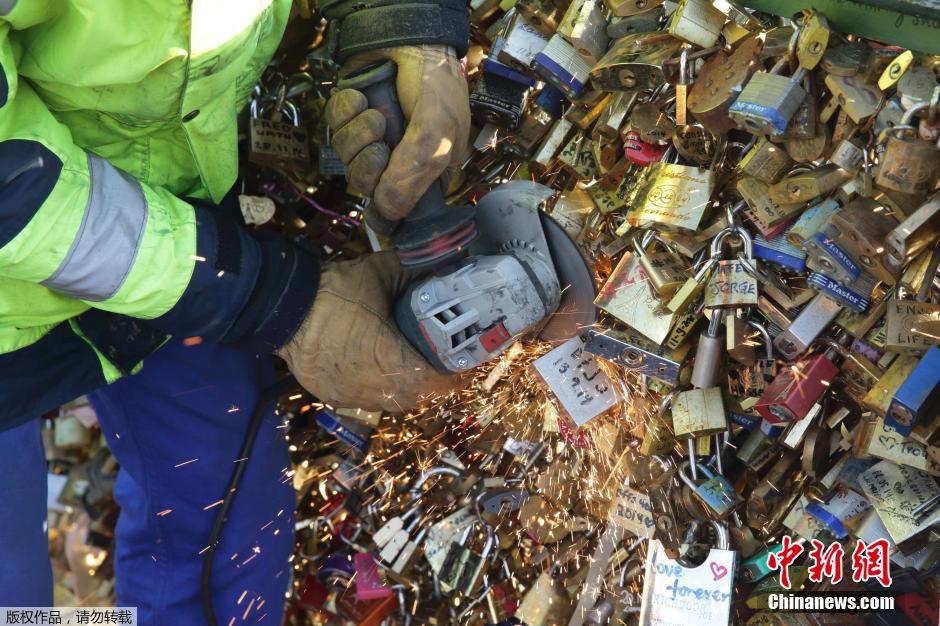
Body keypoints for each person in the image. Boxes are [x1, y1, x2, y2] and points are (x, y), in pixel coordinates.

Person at [0, 0, 470, 622]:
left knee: (227, 517)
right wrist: (260, 297)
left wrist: (400, 20)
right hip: (62, 250)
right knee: (11, 575)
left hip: (169, 220)